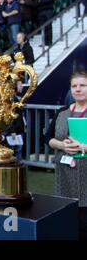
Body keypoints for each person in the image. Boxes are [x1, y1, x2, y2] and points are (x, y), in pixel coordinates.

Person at [46, 70, 87, 240]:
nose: (78, 89)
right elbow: (48, 139)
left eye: (82, 85)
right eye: (74, 86)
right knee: (67, 220)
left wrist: (84, 147)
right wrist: (62, 145)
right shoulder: (62, 112)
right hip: (64, 175)